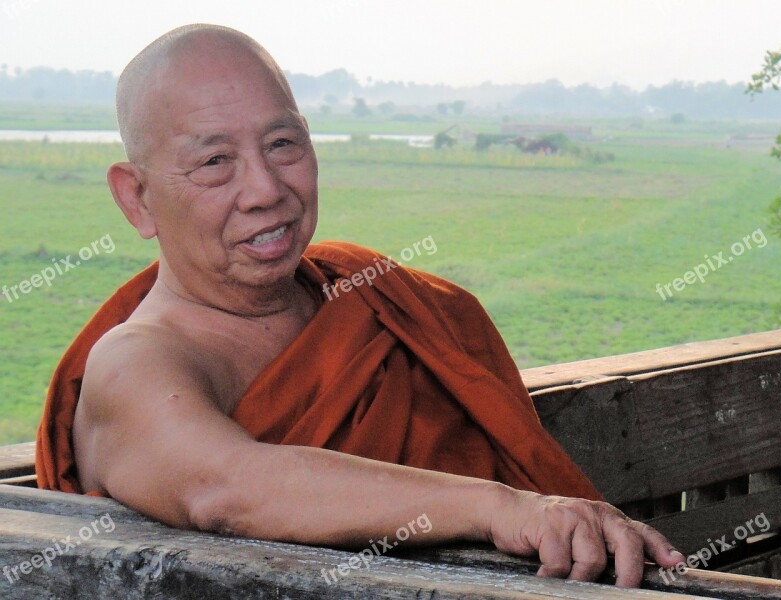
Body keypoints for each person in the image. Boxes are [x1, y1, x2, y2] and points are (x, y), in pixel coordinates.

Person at [36, 24, 684, 588]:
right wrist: (504, 509)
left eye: (283, 145)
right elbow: (225, 485)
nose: (266, 189)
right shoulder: (134, 360)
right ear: (137, 199)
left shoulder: (373, 299)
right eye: (214, 162)